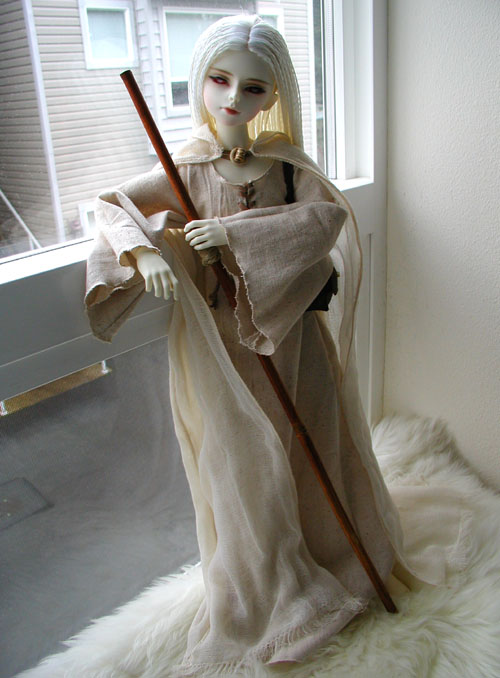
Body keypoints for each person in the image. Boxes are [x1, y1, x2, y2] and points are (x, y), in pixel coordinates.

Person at [85, 14, 406, 675]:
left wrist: (237, 235)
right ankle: (268, 588)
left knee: (315, 441)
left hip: (295, 341)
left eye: (254, 87)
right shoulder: (183, 167)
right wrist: (144, 251)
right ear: (200, 80)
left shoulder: (285, 165)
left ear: (274, 94)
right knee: (243, 469)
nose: (234, 98)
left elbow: (324, 219)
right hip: (223, 354)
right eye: (220, 80)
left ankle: (337, 555)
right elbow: (113, 206)